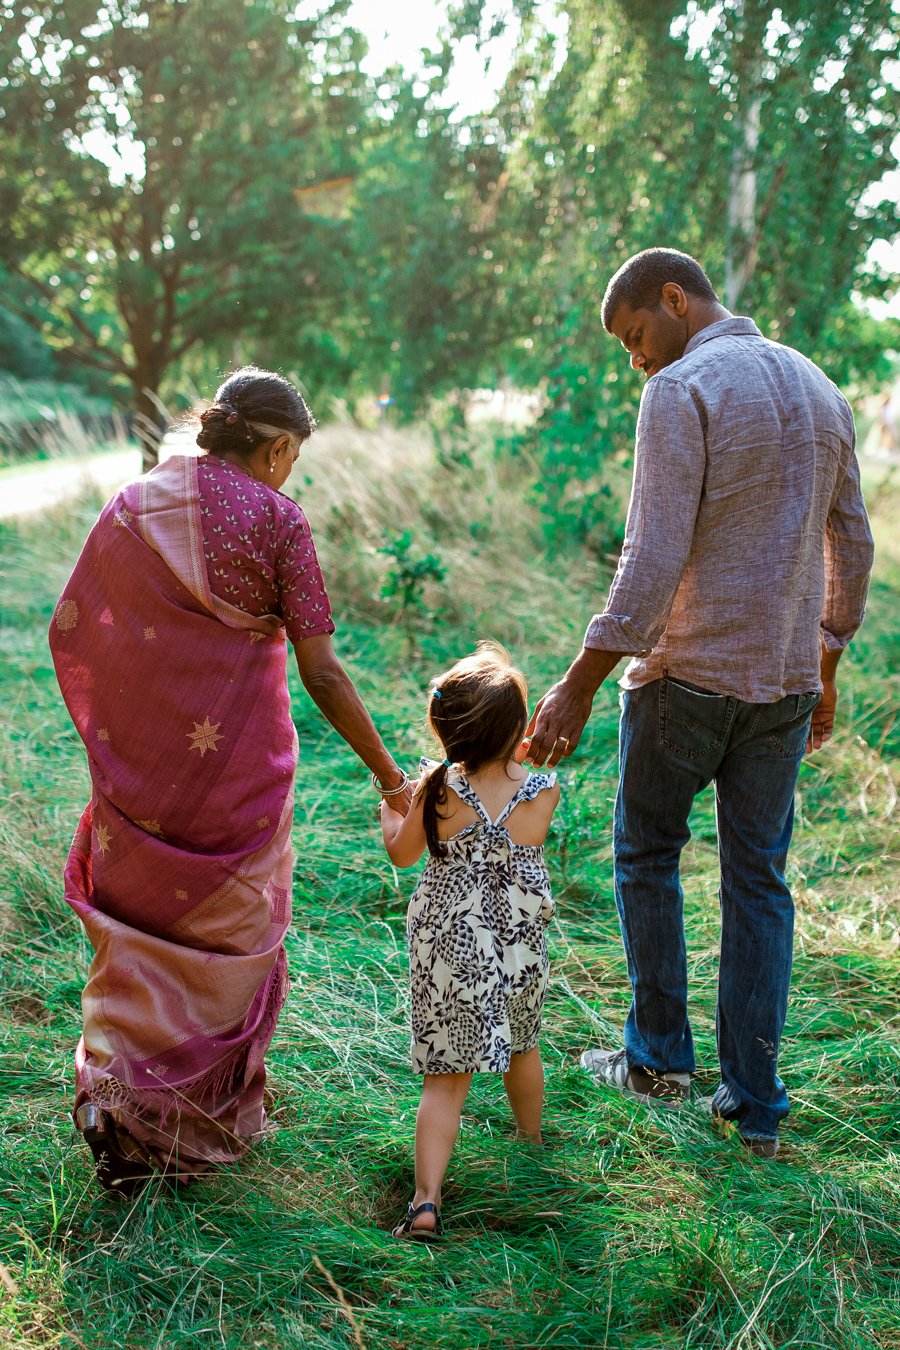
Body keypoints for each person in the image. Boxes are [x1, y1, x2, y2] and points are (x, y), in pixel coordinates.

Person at [523, 249, 874, 1158]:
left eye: (638, 337)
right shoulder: (821, 388)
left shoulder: (682, 391)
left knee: (646, 853)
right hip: (785, 687)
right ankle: (754, 1104)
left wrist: (578, 683)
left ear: (675, 301)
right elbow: (854, 540)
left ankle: (658, 1063)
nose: (637, 360)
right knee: (760, 881)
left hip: (688, 681)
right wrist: (827, 657)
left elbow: (650, 562)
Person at [49, 366, 412, 1194]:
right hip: (238, 781)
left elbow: (75, 624)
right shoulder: (282, 521)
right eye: (296, 457)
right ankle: (186, 1123)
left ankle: (111, 1100)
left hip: (139, 775)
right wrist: (390, 775)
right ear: (279, 447)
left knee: (138, 937)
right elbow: (321, 670)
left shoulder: (135, 505)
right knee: (229, 946)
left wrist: (129, 733)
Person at [380, 643, 560, 1239]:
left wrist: (391, 808)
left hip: (448, 944)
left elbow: (403, 854)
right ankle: (532, 1145)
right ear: (517, 729)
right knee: (523, 1046)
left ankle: (425, 1201)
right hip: (517, 941)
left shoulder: (437, 789)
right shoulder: (542, 791)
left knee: (446, 1076)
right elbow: (521, 832)